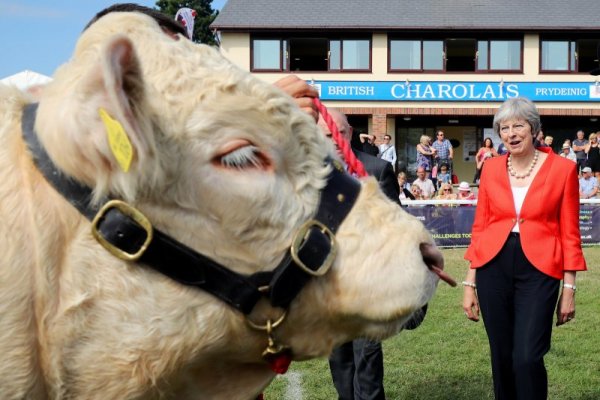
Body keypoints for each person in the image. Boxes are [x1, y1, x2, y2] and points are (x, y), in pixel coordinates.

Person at [463, 97, 587, 400]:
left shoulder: (563, 169)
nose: (511, 133)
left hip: (540, 268)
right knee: (502, 357)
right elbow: (481, 227)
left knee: (528, 357)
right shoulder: (490, 169)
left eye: (518, 125)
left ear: (534, 129)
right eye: (504, 128)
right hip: (493, 265)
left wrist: (569, 288)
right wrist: (470, 282)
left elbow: (570, 232)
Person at [318, 109, 394, 400]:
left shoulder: (378, 169)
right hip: (330, 286)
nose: (334, 139)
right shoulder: (310, 171)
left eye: (339, 132)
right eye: (326, 134)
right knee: (340, 364)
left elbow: (394, 224)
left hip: (367, 285)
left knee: (367, 364)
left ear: (350, 132)